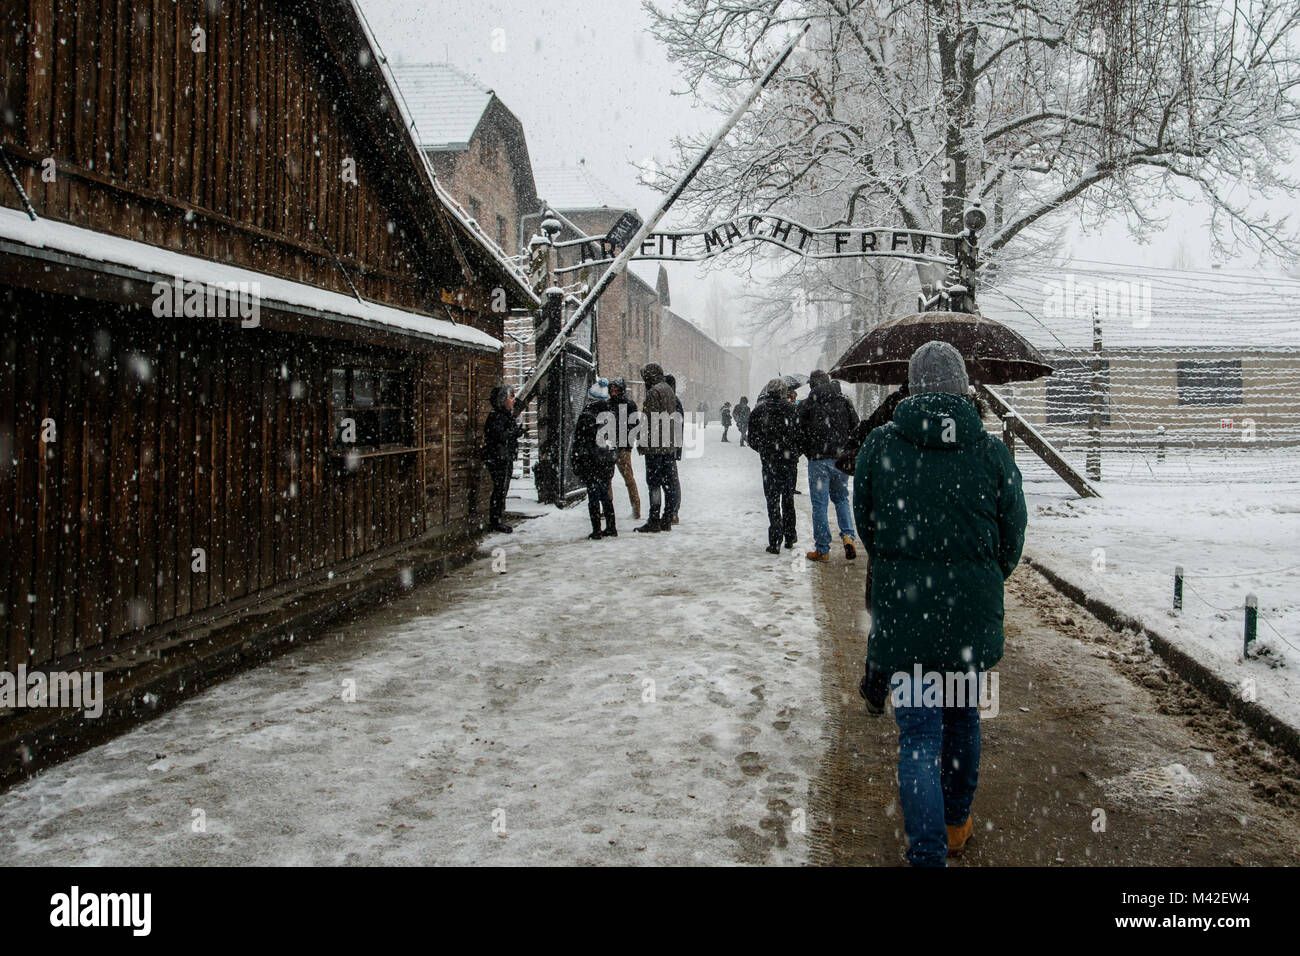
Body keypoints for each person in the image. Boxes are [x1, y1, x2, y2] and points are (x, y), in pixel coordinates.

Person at [853, 341, 1027, 867]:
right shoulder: (992, 451)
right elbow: (1011, 538)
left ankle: (926, 854)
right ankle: (955, 825)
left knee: (920, 737)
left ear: (911, 385)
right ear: (962, 387)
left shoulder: (880, 445)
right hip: (968, 623)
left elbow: (869, 527)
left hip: (906, 620)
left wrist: (901, 561)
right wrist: (981, 578)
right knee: (963, 720)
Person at [798, 370, 860, 562]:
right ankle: (848, 536)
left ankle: (822, 549)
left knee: (820, 504)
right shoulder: (843, 400)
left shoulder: (809, 404)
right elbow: (856, 426)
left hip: (818, 460)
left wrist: (809, 450)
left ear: (812, 385)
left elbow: (799, 429)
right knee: (841, 498)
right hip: (840, 459)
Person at [746, 378, 800, 554]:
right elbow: (802, 435)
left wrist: (763, 449)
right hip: (789, 461)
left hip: (770, 462)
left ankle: (775, 539)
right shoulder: (792, 410)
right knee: (788, 498)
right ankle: (790, 535)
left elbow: (752, 438)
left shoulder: (759, 410)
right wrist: (794, 452)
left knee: (772, 499)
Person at [635, 363, 680, 533]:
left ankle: (654, 519)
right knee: (668, 483)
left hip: (655, 447)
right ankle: (667, 518)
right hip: (668, 445)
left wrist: (641, 441)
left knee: (654, 484)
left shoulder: (653, 392)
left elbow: (648, 421)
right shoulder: (669, 390)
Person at [572, 380, 617, 539]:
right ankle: (611, 527)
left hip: (591, 461)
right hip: (605, 461)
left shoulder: (587, 416)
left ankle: (596, 529)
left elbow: (579, 441)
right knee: (605, 495)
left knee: (593, 496)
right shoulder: (609, 415)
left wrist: (577, 459)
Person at [481, 384, 523, 533]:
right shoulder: (497, 415)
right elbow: (498, 435)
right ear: (503, 399)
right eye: (510, 397)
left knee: (501, 488)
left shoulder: (504, 414)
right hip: (498, 456)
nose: (513, 400)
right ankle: (495, 520)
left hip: (501, 455)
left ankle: (497, 518)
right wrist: (514, 434)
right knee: (499, 488)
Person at [606, 377, 641, 520]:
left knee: (628, 478)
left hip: (623, 447)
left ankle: (636, 508)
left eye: (616, 389)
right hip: (610, 445)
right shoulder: (608, 404)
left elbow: (635, 425)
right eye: (612, 389)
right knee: (607, 478)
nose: (613, 392)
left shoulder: (629, 404)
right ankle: (608, 508)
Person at [665, 373, 684, 525]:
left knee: (671, 481)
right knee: (671, 481)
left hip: (669, 447)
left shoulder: (672, 402)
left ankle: (673, 512)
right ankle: (672, 511)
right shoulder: (673, 401)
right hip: (670, 446)